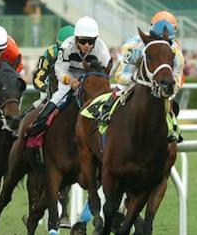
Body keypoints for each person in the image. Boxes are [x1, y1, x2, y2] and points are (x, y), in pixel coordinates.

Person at [27, 17, 111, 137]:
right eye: (83, 41)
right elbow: (60, 69)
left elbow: (105, 71)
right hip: (69, 72)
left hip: (90, 74)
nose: (87, 45)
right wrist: (70, 81)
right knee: (61, 94)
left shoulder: (102, 49)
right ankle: (38, 123)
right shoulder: (67, 46)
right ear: (76, 39)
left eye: (91, 41)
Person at [115, 10, 185, 142]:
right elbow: (120, 76)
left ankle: (172, 127)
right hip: (132, 84)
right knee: (118, 95)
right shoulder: (133, 46)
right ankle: (106, 118)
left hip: (161, 84)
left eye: (168, 41)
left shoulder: (175, 49)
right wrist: (134, 78)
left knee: (169, 103)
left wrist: (166, 91)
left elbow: (177, 79)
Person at [31, 24, 75, 110]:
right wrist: (45, 89)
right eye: (62, 48)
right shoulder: (50, 54)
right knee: (38, 106)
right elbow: (37, 79)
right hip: (52, 93)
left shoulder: (84, 53)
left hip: (76, 93)